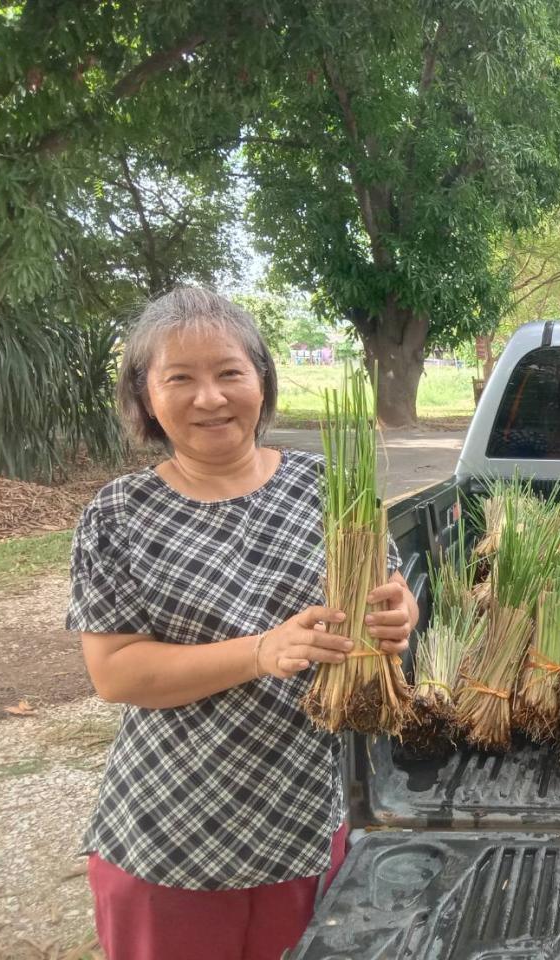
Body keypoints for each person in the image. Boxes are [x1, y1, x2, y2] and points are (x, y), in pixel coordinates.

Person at [67, 287, 416, 960]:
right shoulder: (118, 514)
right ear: (144, 396)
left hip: (303, 821)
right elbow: (114, 673)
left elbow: (392, 593)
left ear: (261, 380)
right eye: (180, 379)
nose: (210, 398)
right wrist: (260, 652)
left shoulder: (326, 486)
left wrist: (400, 613)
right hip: (170, 835)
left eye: (230, 372)